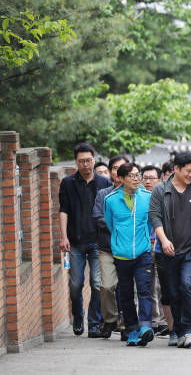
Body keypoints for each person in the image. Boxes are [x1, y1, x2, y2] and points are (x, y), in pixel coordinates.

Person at [149, 151, 191, 349]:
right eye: (188, 171)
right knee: (173, 292)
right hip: (167, 251)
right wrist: (163, 240)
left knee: (188, 286)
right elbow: (155, 216)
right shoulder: (161, 190)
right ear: (176, 169)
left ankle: (189, 329)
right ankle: (176, 329)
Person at [59, 142, 111, 338]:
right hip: (76, 241)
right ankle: (78, 315)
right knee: (75, 284)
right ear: (76, 162)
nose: (86, 164)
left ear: (94, 160)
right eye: (82, 161)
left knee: (97, 283)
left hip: (98, 242)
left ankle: (94, 323)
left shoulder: (104, 184)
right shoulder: (68, 183)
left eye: (89, 160)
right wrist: (63, 237)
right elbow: (63, 210)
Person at [104, 163, 155, 346]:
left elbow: (150, 223)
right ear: (121, 178)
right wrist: (119, 243)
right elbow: (110, 224)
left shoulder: (148, 197)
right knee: (125, 294)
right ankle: (132, 330)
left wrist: (145, 240)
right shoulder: (110, 200)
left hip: (142, 253)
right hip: (121, 255)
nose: (137, 179)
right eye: (132, 176)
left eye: (137, 175)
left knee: (143, 290)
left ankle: (145, 327)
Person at [92, 154, 129, 339]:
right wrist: (119, 226)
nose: (118, 171)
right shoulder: (103, 194)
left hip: (129, 249)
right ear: (111, 172)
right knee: (106, 286)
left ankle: (125, 325)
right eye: (115, 168)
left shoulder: (134, 194)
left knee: (126, 286)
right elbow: (98, 217)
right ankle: (109, 319)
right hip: (107, 248)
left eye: (122, 168)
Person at [140, 165, 169, 336]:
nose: (148, 181)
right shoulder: (139, 198)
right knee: (149, 284)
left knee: (162, 284)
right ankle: (154, 320)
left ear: (160, 180)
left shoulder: (164, 197)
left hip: (161, 244)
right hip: (145, 245)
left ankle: (165, 320)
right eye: (145, 178)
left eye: (152, 178)